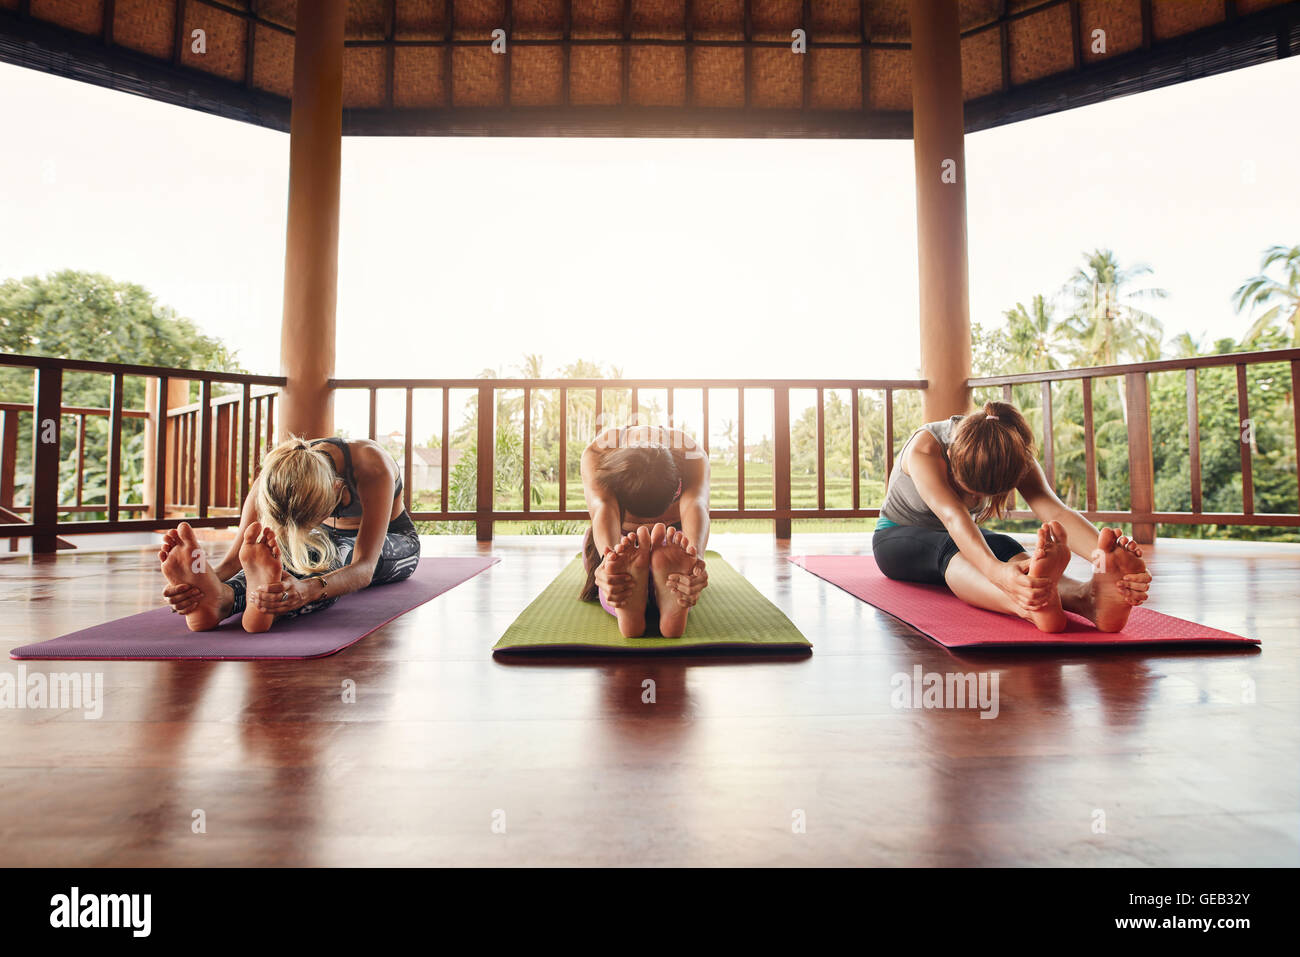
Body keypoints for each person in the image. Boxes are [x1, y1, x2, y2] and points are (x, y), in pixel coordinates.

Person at [873, 401, 1152, 632]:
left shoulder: (1011, 450)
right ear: (950, 454)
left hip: (957, 531)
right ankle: (1025, 606)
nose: (977, 500)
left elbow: (1055, 511)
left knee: (1005, 547)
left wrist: (1107, 560)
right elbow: (953, 517)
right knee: (952, 549)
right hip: (896, 539)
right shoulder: (926, 449)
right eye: (970, 491)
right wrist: (997, 574)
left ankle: (1088, 598)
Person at [158, 435, 420, 633]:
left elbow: (364, 567)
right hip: (325, 541)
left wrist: (307, 590)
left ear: (337, 488)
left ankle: (254, 602)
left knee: (334, 557)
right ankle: (222, 600)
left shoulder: (371, 466)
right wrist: (195, 590)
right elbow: (234, 560)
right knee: (276, 555)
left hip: (393, 543)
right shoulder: (277, 475)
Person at [580, 423, 710, 638]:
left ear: (677, 483)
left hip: (672, 541)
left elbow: (695, 503)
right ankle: (655, 591)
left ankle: (646, 595)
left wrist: (695, 561)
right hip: (621, 539)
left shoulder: (691, 454)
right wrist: (608, 562)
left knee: (681, 575)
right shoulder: (598, 453)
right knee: (615, 577)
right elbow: (604, 506)